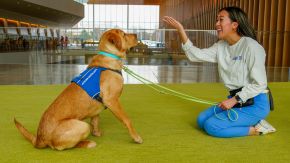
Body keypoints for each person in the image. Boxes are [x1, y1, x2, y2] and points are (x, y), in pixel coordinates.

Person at [163, 6, 276, 138]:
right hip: (236, 101)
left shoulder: (252, 47)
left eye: (220, 20)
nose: (216, 24)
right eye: (217, 20)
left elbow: (260, 84)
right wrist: (180, 30)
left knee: (212, 126)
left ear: (234, 25)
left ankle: (258, 128)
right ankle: (251, 122)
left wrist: (233, 100)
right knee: (201, 121)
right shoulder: (221, 46)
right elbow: (195, 55)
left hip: (255, 103)